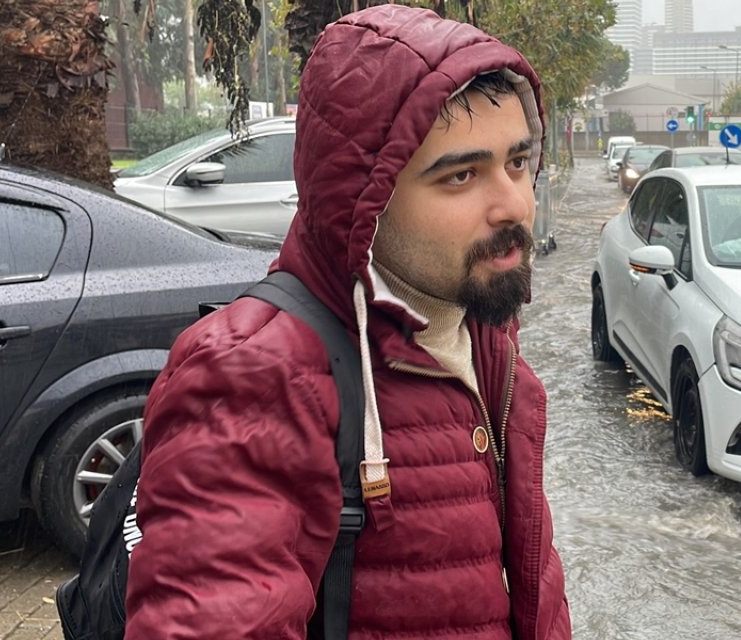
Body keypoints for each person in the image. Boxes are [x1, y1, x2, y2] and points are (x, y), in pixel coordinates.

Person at [124, 5, 570, 638]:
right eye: (462, 175)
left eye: (519, 163)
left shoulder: (481, 336)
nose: (513, 205)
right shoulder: (255, 376)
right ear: (366, 193)